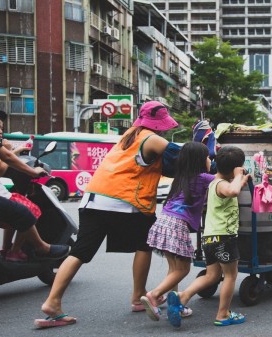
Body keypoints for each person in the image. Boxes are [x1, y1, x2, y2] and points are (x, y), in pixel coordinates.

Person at [35, 100, 178, 329]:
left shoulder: (130, 135)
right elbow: (182, 155)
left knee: (80, 251)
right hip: (125, 200)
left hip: (94, 198)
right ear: (158, 124)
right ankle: (138, 295)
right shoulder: (152, 138)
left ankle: (52, 302)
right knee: (144, 244)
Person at [0, 83, 70, 261]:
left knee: (15, 209)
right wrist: (33, 171)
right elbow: (5, 159)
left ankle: (8, 250)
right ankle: (41, 248)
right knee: (24, 212)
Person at [167, 145, 250, 328]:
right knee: (230, 275)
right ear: (236, 168)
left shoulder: (213, 183)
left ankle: (183, 297)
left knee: (212, 276)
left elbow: (230, 189)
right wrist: (237, 177)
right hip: (224, 238)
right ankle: (223, 314)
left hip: (210, 238)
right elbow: (232, 191)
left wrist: (240, 179)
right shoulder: (222, 185)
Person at [140, 142, 215, 326]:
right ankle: (154, 295)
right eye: (207, 157)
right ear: (199, 160)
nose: (209, 160)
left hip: (164, 221)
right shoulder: (204, 178)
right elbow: (221, 181)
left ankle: (176, 304)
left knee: (174, 270)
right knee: (183, 269)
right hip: (176, 224)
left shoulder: (181, 177)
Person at [0, 110, 38, 261]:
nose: (0, 131)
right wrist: (10, 151)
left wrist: (14, 150)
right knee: (31, 210)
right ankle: (15, 250)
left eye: (2, 129)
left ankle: (6, 248)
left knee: (14, 212)